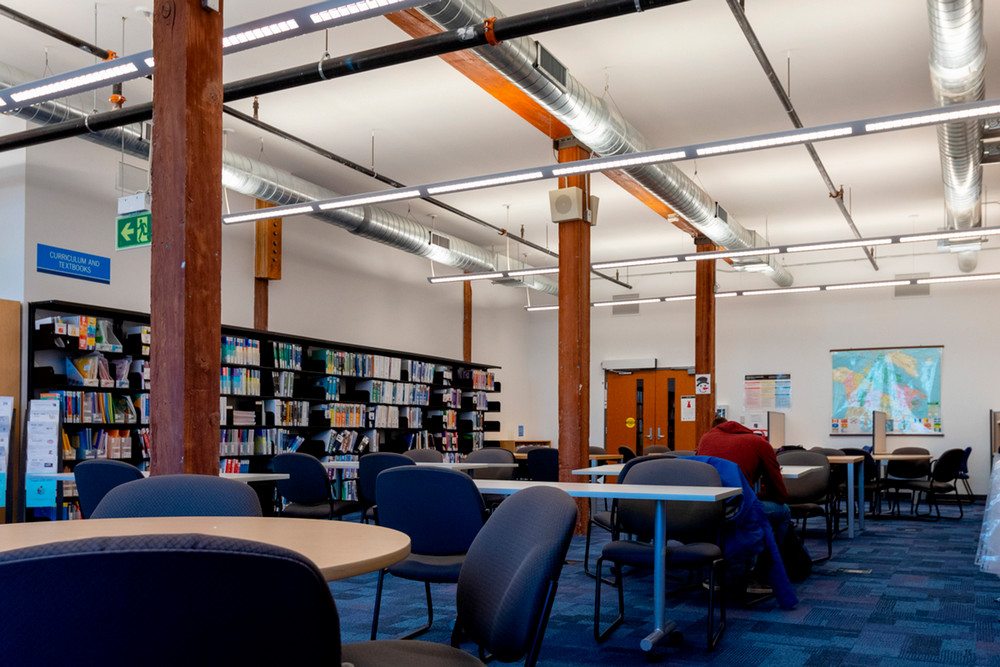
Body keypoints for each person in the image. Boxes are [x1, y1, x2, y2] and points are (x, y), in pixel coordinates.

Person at [696, 418, 790, 544]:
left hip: (705, 508)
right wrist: (759, 496)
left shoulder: (705, 439)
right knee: (784, 511)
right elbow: (780, 494)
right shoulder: (759, 442)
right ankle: (772, 558)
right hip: (740, 508)